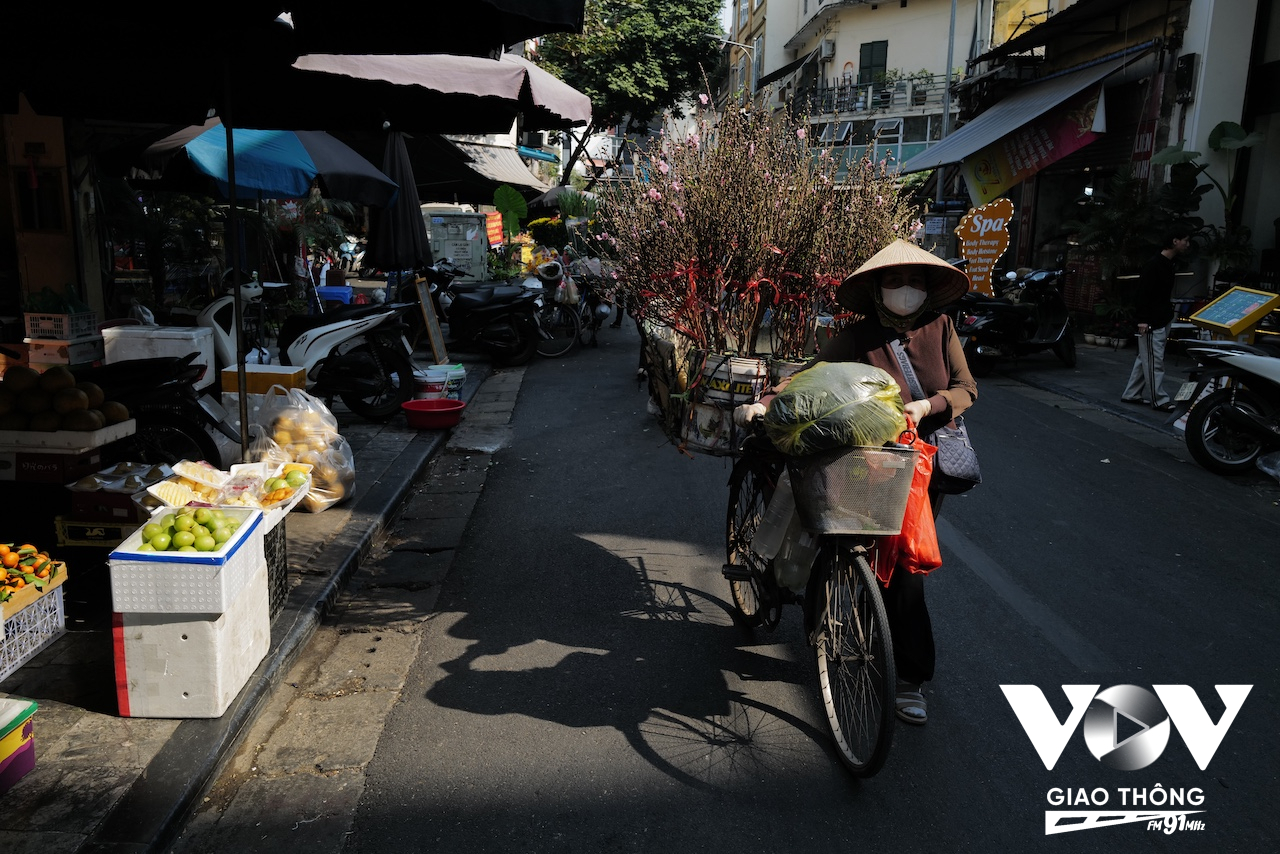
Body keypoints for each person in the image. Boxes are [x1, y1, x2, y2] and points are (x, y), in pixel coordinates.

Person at [739, 239, 976, 726]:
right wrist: (766, 401)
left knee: (906, 572)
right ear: (876, 289)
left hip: (921, 463)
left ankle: (908, 676)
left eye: (913, 282)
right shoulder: (858, 335)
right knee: (850, 548)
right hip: (865, 460)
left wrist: (927, 406)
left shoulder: (941, 326)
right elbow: (813, 375)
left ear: (927, 288)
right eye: (894, 282)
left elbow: (965, 388)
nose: (905, 290)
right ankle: (840, 628)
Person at [1122, 227, 1192, 411]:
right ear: (1175, 241)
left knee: (1146, 357)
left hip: (1160, 317)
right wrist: (1143, 320)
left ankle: (1132, 393)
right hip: (1153, 320)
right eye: (1185, 240)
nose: (1187, 244)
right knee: (1154, 360)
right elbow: (1143, 293)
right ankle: (1159, 399)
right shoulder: (1155, 264)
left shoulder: (1166, 263)